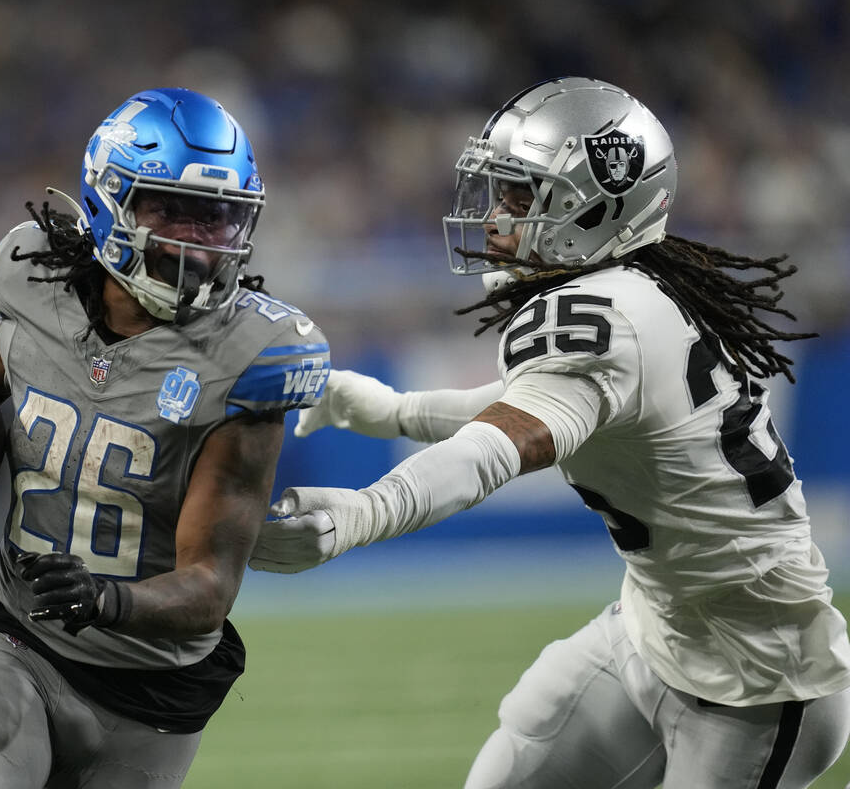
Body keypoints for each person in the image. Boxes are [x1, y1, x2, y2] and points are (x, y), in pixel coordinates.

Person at [249, 77, 850, 788]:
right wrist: (390, 410)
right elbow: (530, 408)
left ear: (594, 209)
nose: (497, 218)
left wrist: (363, 512)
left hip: (759, 682)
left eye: (520, 196)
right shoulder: (645, 291)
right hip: (654, 631)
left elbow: (496, 449)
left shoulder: (601, 320)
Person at [0, 87, 330, 789]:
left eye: (218, 218)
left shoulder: (250, 358)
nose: (197, 241)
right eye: (174, 211)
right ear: (110, 202)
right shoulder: (29, 283)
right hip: (19, 644)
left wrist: (108, 600)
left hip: (153, 696)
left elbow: (210, 584)